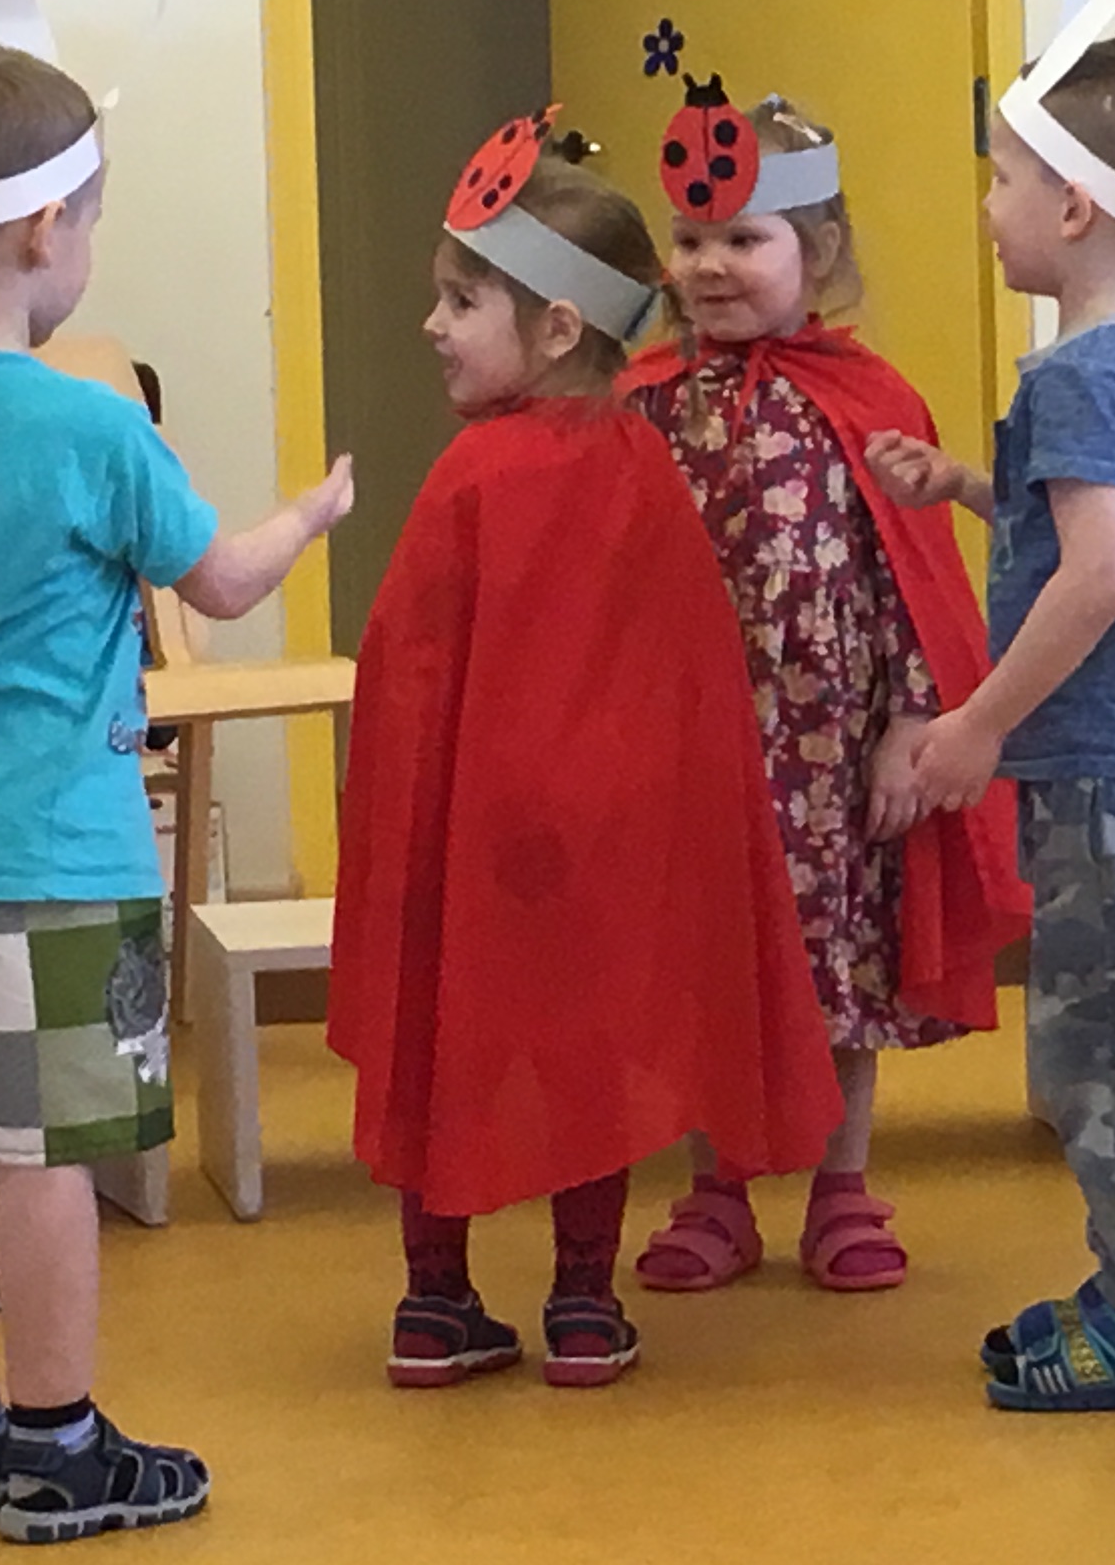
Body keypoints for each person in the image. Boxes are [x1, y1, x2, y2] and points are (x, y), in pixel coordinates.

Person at [0, 41, 354, 1543]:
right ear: (48, 231)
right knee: (47, 1165)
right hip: (58, 859)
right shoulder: (93, 428)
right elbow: (218, 582)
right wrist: (309, 513)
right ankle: (59, 1444)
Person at [329, 124, 843, 1391]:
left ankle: (434, 1301)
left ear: (558, 328)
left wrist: (400, 817)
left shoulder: (471, 474)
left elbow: (405, 673)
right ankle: (582, 1305)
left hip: (471, 829)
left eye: (462, 301)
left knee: (446, 1037)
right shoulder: (642, 466)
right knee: (590, 1048)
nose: (432, 325)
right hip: (606, 836)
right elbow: (688, 678)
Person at [868, 35, 1115, 1412]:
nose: (989, 206)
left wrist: (975, 724)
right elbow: (1083, 523)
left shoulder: (1078, 376)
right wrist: (968, 484)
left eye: (1004, 178)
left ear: (1075, 207)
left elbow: (1098, 575)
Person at [621, 87, 1030, 1298]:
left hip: (832, 754)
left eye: (744, 240)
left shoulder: (868, 397)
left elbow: (915, 575)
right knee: (713, 969)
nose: (711, 265)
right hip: (696, 750)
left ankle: (843, 1188)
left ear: (820, 250)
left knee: (841, 967)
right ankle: (719, 1189)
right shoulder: (645, 400)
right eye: (691, 240)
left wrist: (913, 722)